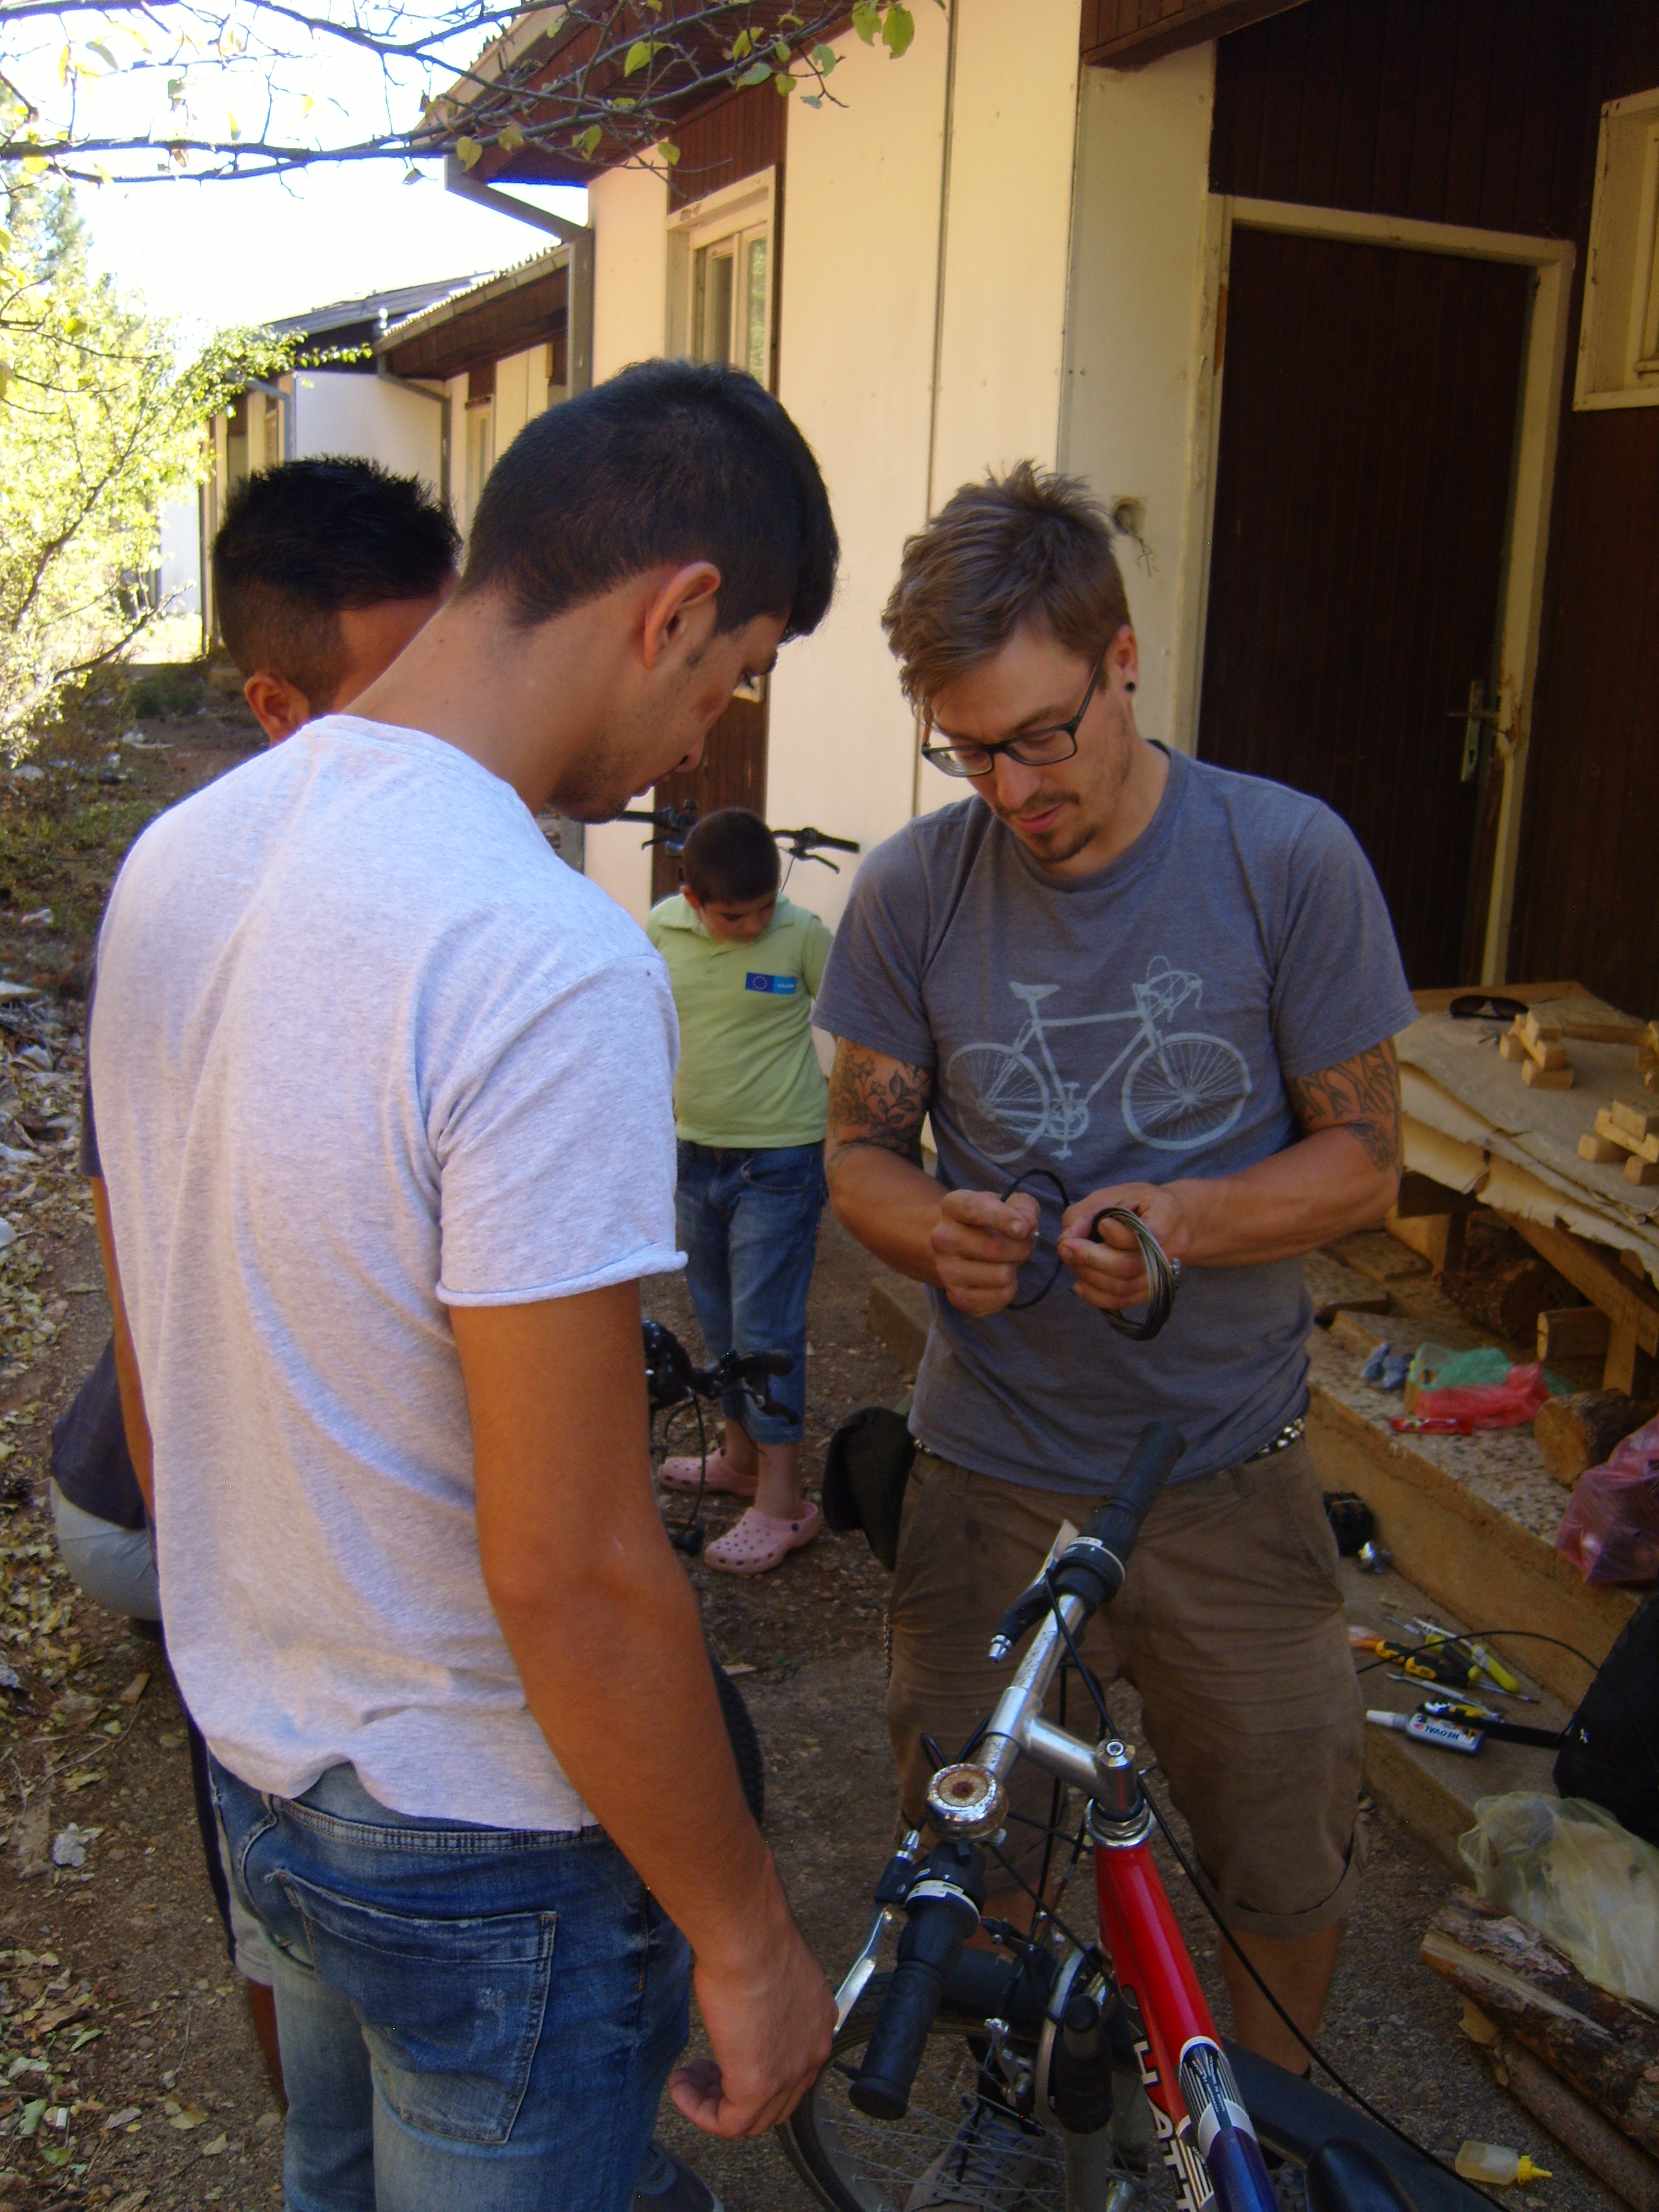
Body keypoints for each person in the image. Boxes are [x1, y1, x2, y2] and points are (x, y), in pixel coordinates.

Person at [85, 360, 839, 2212]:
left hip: (261, 1757)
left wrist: (241, 1686)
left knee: (328, 2178)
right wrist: (747, 1935)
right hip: (486, 1847)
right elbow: (572, 1565)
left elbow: (160, 1374)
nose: (706, 739)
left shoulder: (180, 862)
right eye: (733, 675)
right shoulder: (546, 954)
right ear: (673, 610)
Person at [814, 464, 1417, 2093]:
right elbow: (857, 1152)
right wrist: (927, 1227)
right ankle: (1023, 2117)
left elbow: (1367, 1160)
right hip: (986, 1476)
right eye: (966, 751)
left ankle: (1236, 2130)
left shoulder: (1284, 860)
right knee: (977, 1847)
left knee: (1281, 1850)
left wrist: (1187, 1222)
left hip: (1226, 1471)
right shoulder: (911, 889)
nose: (1010, 789)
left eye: (1041, 736)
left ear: (1124, 660)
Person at [67, 454, 463, 2105]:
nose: (446, 737)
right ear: (276, 708)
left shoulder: (447, 913)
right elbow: (135, 1281)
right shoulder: (182, 903)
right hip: (191, 1546)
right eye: (395, 700)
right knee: (284, 1926)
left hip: (321, 1590)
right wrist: (213, 1593)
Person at [646, 808, 832, 1575]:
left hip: (781, 1160)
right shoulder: (659, 930)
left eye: (765, 908)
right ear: (692, 899)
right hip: (694, 1157)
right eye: (734, 915)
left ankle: (784, 1504)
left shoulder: (804, 933)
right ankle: (739, 1458)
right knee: (718, 1317)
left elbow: (863, 1023)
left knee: (766, 1329)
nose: (755, 925)